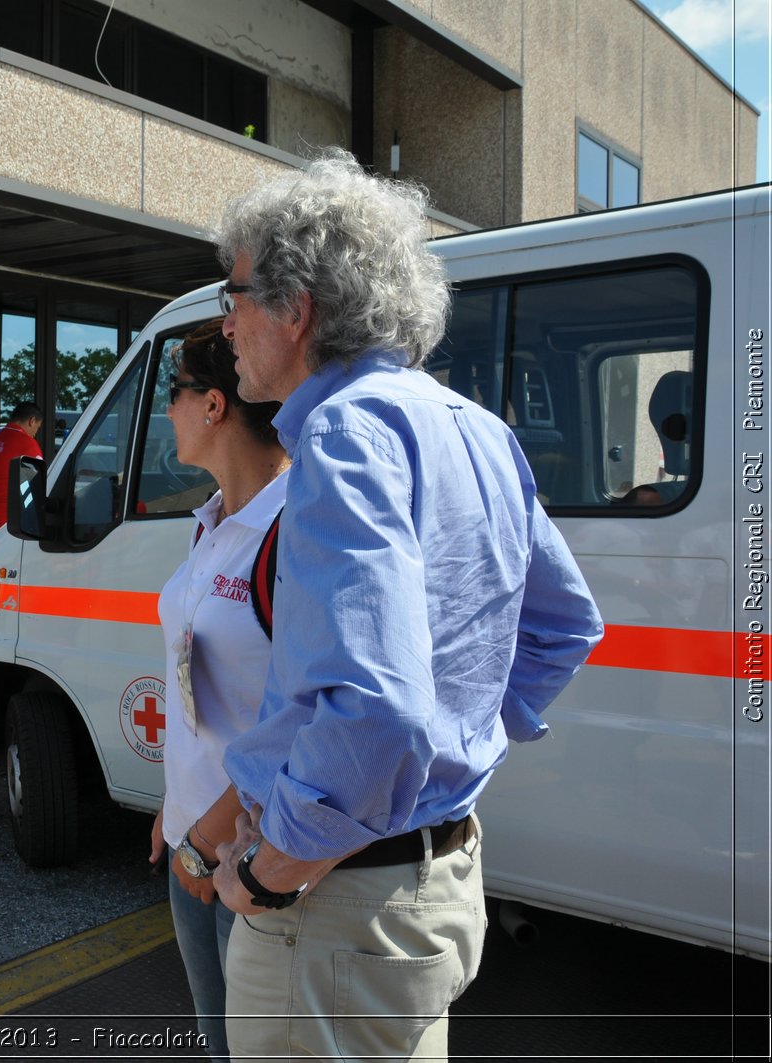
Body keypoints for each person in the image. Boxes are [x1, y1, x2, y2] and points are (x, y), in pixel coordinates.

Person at [206, 149, 604, 1061]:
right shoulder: (475, 425)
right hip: (429, 883)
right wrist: (458, 742)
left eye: (234, 293)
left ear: (295, 308)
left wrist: (274, 871)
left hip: (338, 908)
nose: (225, 320)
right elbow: (565, 624)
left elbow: (378, 711)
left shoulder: (346, 433)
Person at [145, 321, 287, 1062]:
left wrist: (207, 838)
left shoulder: (292, 525)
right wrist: (179, 802)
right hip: (195, 837)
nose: (166, 412)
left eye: (174, 394)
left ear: (213, 405)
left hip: (252, 856)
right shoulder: (213, 521)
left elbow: (302, 718)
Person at [0, 401, 43, 538]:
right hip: (11, 520)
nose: (35, 434)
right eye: (37, 428)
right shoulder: (28, 445)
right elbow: (38, 484)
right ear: (32, 421)